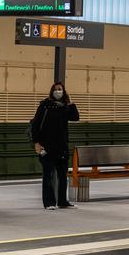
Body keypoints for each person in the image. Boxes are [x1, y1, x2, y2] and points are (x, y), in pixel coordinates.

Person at [30, 81, 81, 210]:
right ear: (52, 91)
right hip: (47, 146)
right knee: (48, 175)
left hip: (61, 146)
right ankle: (49, 202)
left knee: (63, 176)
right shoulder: (45, 106)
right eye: (56, 89)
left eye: (60, 89)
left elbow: (75, 117)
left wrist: (70, 103)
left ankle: (63, 201)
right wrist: (36, 143)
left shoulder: (65, 107)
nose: (58, 91)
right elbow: (35, 124)